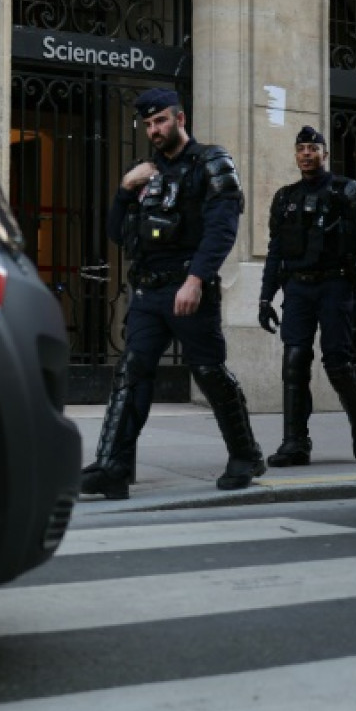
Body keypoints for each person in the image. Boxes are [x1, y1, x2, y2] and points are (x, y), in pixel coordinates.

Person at [81, 88, 264, 500]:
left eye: (160, 120)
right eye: (148, 124)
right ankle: (114, 466)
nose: (154, 130)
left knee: (209, 372)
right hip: (148, 292)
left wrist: (196, 280)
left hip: (189, 288)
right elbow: (116, 233)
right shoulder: (143, 173)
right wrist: (125, 189)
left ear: (180, 119)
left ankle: (246, 454)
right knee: (132, 372)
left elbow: (221, 230)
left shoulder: (211, 163)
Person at [257, 125, 356, 466]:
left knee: (336, 363)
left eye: (313, 148)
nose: (307, 154)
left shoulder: (349, 192)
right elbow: (275, 251)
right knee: (294, 361)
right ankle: (295, 442)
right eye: (301, 149)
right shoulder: (285, 198)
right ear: (296, 155)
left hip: (335, 285)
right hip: (297, 287)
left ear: (325, 154)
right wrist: (265, 298)